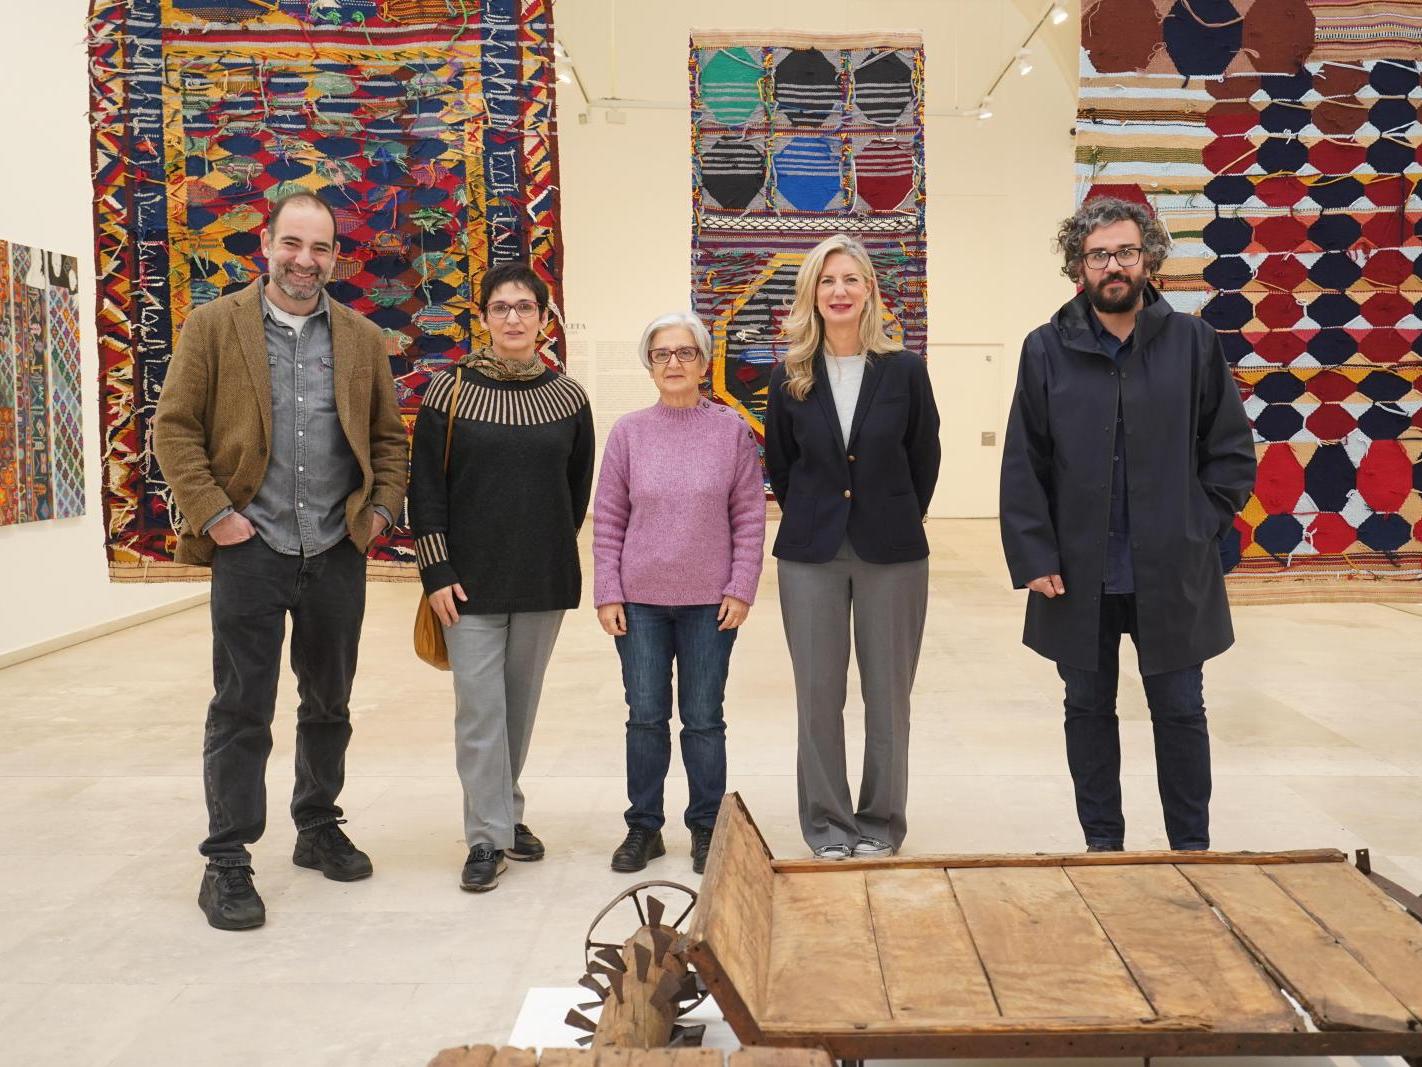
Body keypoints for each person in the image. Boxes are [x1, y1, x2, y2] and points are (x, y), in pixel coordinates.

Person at [153, 191, 409, 931]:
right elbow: (174, 430)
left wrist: (378, 514)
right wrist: (214, 515)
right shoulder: (213, 326)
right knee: (242, 708)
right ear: (265, 244)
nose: (305, 260)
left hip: (336, 550)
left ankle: (317, 823)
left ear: (336, 255)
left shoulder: (362, 337)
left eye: (320, 247)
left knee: (329, 702)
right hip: (251, 549)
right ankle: (227, 858)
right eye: (292, 244)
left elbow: (389, 440)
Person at [999, 195, 1256, 852]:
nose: (1113, 265)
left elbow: (1228, 451)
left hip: (1171, 569)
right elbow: (1025, 460)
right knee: (1086, 710)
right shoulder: (1045, 349)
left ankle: (1191, 849)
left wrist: (1196, 525)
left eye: (1124, 252)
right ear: (1077, 265)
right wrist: (1034, 553)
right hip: (1076, 573)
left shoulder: (1194, 343)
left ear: (1147, 258)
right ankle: (1103, 849)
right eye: (1098, 255)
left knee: (1179, 710)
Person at [408, 261, 593, 893]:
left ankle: (505, 811)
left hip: (542, 579)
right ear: (483, 317)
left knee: (519, 709)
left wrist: (545, 547)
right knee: (480, 711)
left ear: (544, 318)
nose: (514, 318)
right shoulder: (449, 391)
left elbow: (576, 489)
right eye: (501, 307)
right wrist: (435, 571)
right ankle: (486, 838)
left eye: (526, 308)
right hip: (466, 584)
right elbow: (425, 490)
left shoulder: (569, 397)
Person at [764, 233, 941, 860]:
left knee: (888, 696)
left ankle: (880, 825)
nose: (838, 291)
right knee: (817, 695)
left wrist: (891, 516)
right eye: (826, 280)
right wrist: (820, 514)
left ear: (869, 290)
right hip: (810, 555)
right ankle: (828, 827)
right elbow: (780, 467)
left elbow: (925, 456)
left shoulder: (904, 371)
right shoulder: (791, 378)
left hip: (892, 553)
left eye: (850, 279)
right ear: (811, 293)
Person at [593, 312, 766, 875]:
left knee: (702, 718)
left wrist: (742, 586)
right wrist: (607, 591)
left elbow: (749, 516)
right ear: (650, 365)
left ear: (704, 362)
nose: (673, 363)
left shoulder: (730, 432)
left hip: (709, 604)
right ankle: (644, 827)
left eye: (685, 353)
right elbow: (609, 520)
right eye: (662, 354)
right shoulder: (628, 433)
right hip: (640, 602)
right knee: (644, 716)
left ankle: (707, 827)